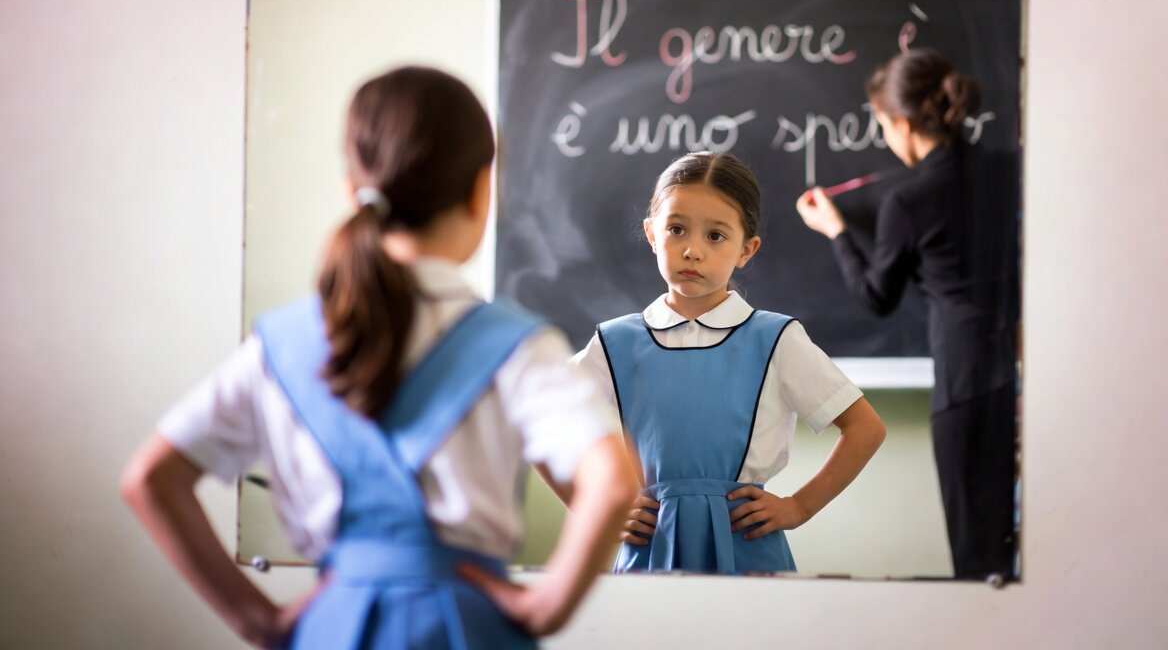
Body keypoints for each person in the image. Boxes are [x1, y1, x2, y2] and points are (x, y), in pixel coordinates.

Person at [120, 66, 638, 649]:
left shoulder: (281, 347)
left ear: (353, 189)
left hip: (330, 631)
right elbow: (613, 481)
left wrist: (256, 621)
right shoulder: (519, 346)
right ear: (479, 191)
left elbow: (150, 479)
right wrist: (546, 608)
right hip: (465, 631)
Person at [571, 151, 885, 575]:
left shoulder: (775, 339)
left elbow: (865, 428)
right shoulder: (616, 342)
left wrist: (799, 507)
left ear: (747, 249)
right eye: (676, 229)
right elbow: (536, 419)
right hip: (649, 552)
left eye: (715, 236)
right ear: (651, 234)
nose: (692, 251)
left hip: (749, 552)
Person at [795, 48, 1020, 580]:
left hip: (965, 385)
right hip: (1027, 377)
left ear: (901, 122)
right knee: (1035, 551)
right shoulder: (1011, 169)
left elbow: (878, 298)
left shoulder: (910, 200)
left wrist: (837, 234)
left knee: (977, 562)